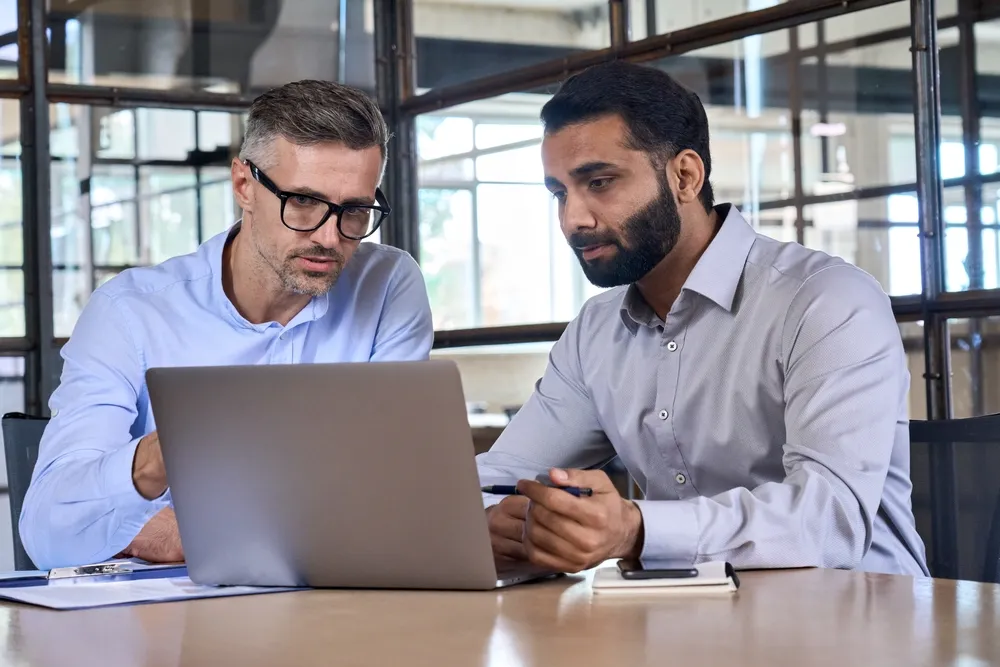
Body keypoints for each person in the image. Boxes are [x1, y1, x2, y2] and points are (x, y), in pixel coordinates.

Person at [479, 61, 929, 577]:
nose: (573, 219)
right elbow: (499, 476)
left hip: (865, 629)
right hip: (692, 626)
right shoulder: (596, 332)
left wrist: (636, 529)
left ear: (685, 176)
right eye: (559, 194)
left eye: (599, 182)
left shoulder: (825, 301)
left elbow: (829, 521)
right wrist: (494, 521)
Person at [21, 80, 434, 569]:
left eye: (355, 210)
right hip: (170, 624)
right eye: (302, 201)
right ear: (244, 186)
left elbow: (389, 494)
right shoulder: (128, 313)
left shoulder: (388, 285)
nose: (329, 236)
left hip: (335, 606)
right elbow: (45, 530)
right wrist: (152, 465)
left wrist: (202, 529)